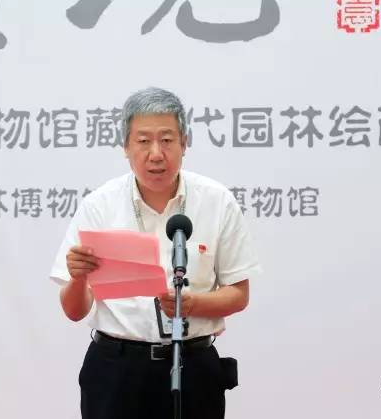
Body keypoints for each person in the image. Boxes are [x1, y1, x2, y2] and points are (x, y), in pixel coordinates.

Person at [50, 87, 261, 419]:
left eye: (166, 140)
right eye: (143, 141)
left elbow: (239, 294)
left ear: (184, 143)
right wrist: (78, 278)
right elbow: (74, 311)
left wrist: (192, 304)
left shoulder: (216, 201)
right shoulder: (100, 206)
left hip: (194, 368)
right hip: (116, 371)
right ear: (125, 146)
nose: (156, 154)